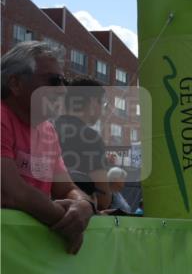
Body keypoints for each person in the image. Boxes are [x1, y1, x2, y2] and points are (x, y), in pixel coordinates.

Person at [1, 41, 95, 253]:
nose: (62, 90)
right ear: (15, 83)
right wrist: (69, 222)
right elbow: (12, 193)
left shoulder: (48, 131)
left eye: (64, 81)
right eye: (53, 81)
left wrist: (84, 206)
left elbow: (67, 188)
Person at [53, 77, 111, 210]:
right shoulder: (91, 138)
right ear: (92, 103)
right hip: (76, 218)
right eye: (102, 104)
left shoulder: (46, 129)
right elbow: (103, 200)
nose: (102, 111)